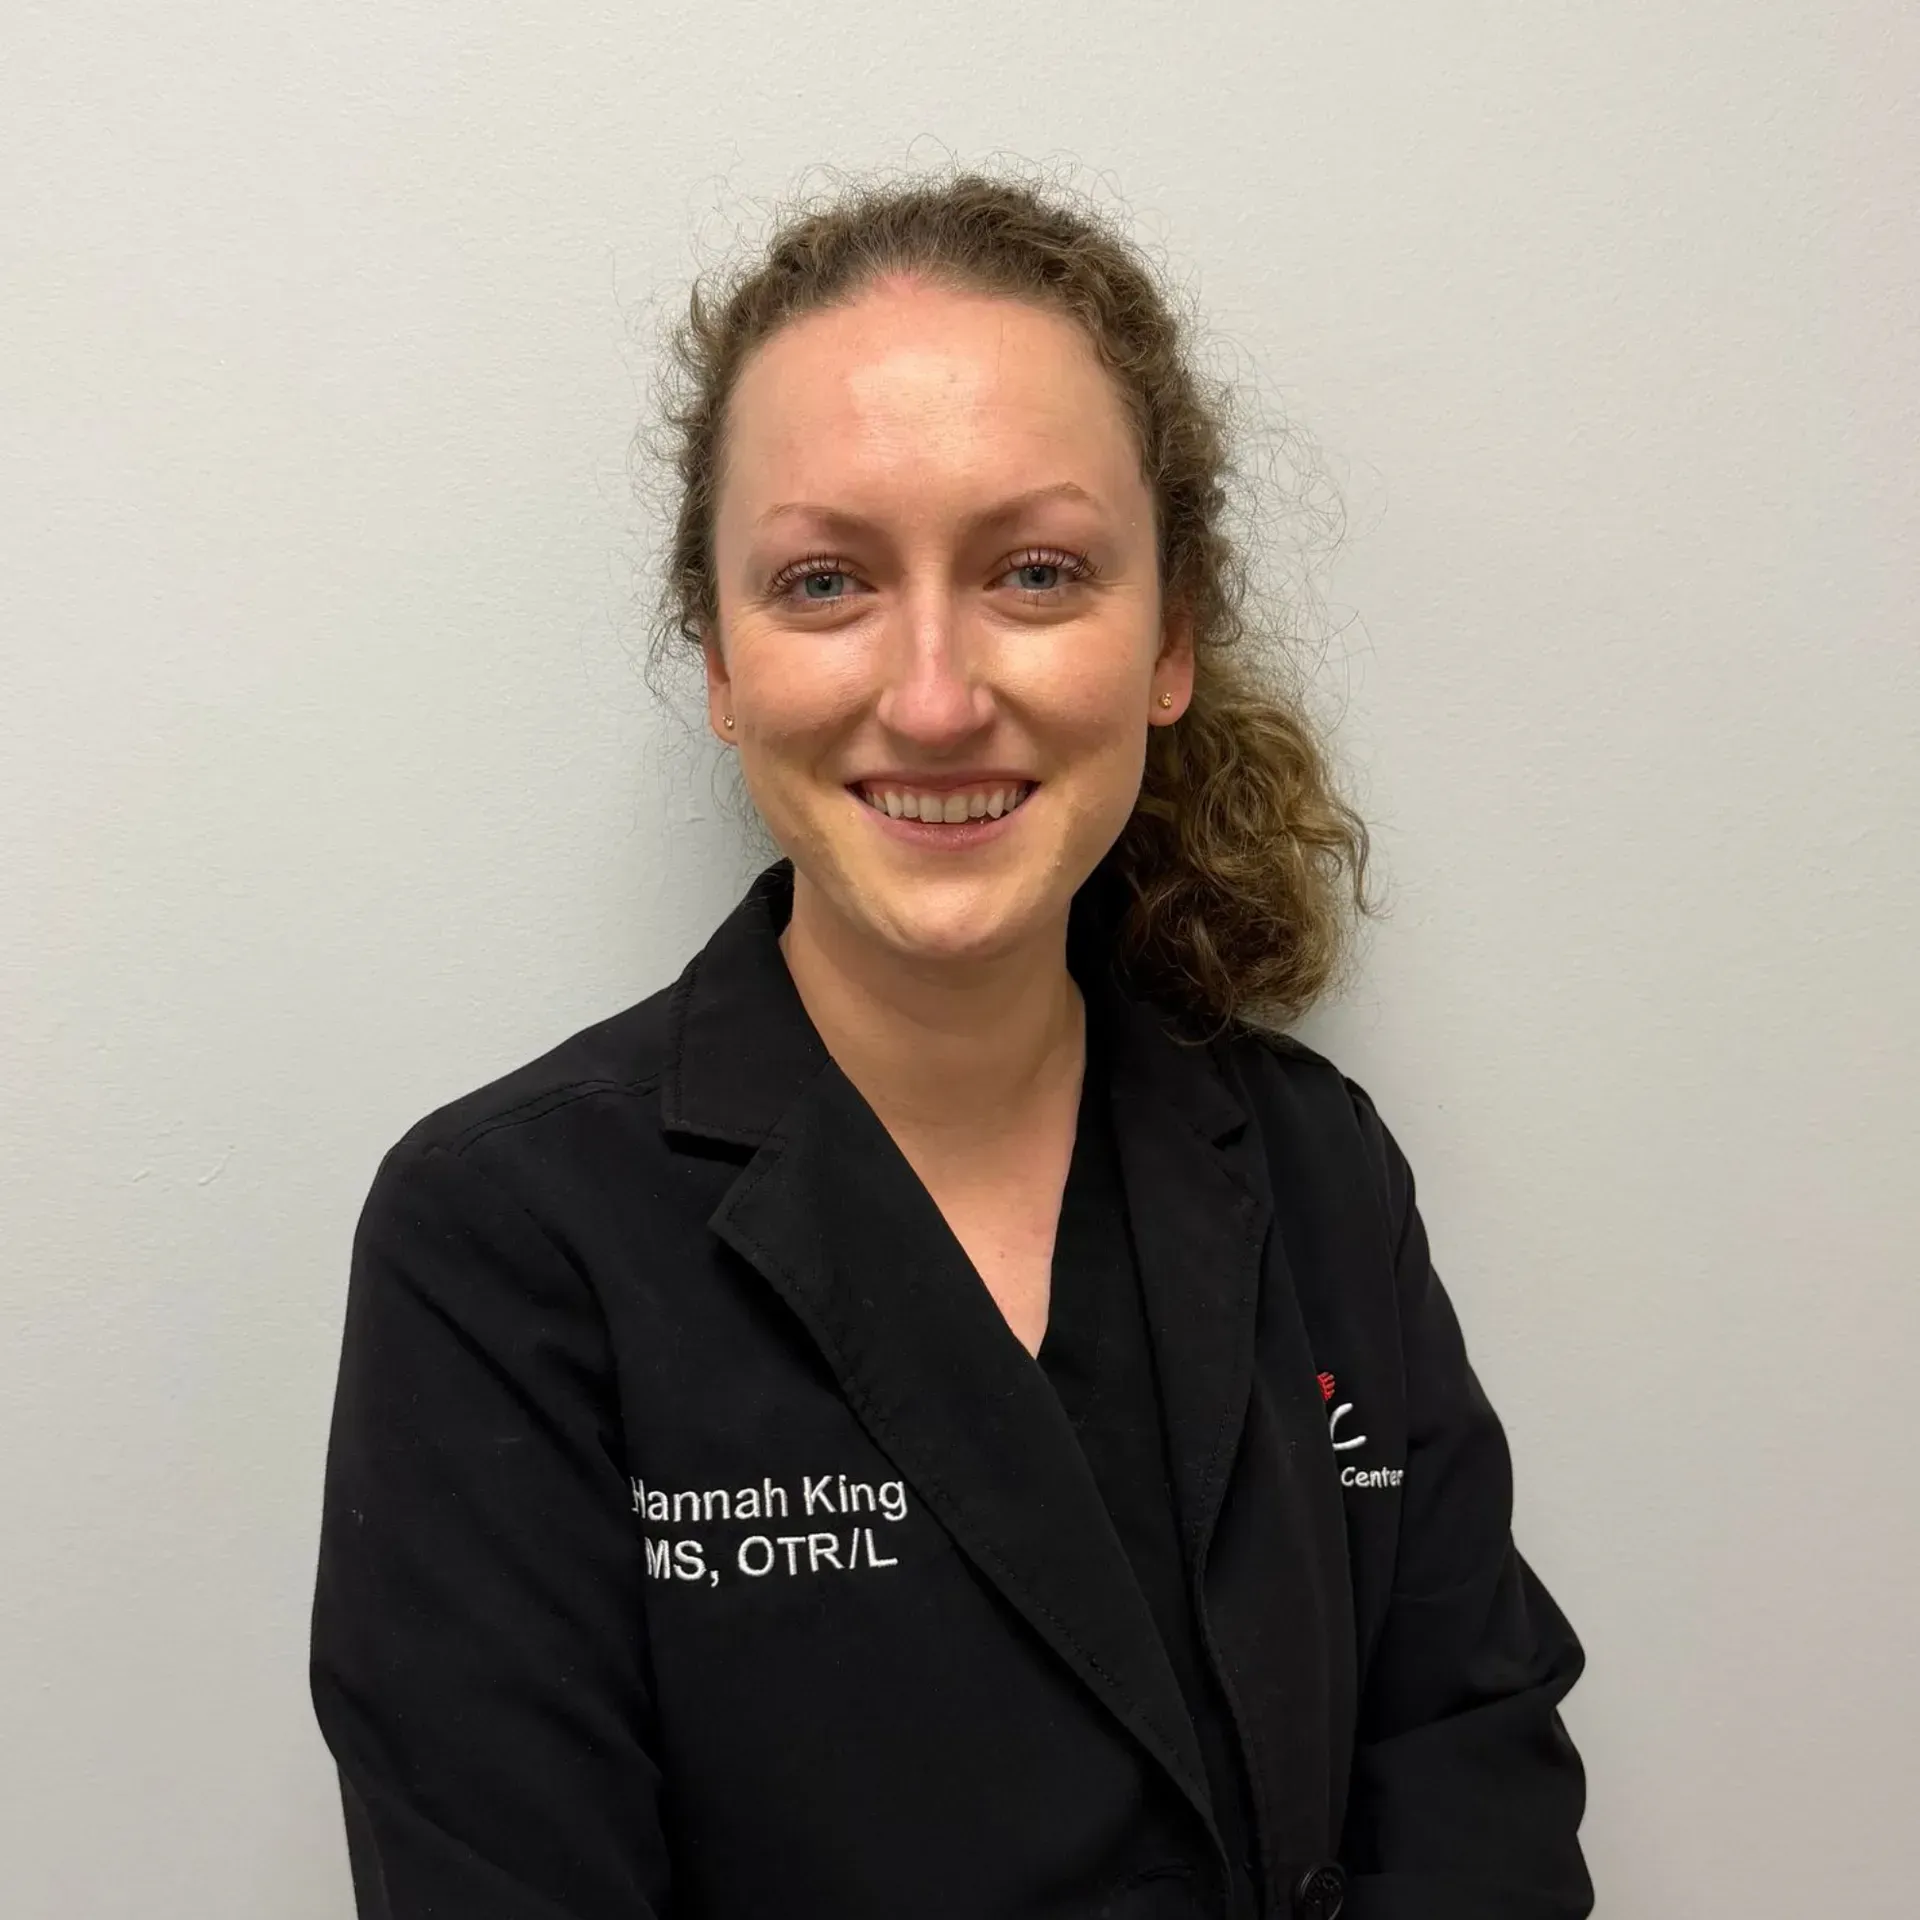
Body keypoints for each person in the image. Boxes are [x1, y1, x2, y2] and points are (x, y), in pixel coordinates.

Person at [308, 170, 1592, 1920]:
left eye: (1037, 571)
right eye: (826, 579)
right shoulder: (510, 1244)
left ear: (1170, 641)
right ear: (723, 663)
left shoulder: (1315, 1167)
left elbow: (1477, 1792)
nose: (930, 692)